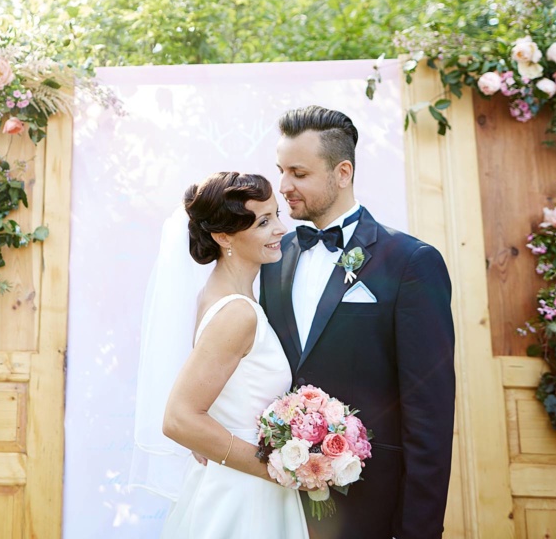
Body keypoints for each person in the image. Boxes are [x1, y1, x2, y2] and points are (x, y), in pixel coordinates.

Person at [260, 105, 456, 539]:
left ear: (342, 172)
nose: (283, 187)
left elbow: (431, 416)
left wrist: (418, 530)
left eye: (298, 173)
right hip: (274, 501)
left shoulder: (410, 263)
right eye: (281, 171)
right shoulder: (270, 259)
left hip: (370, 504)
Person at [132, 171, 309, 538]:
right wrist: (278, 469)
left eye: (277, 214)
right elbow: (179, 418)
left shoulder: (221, 297)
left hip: (236, 482)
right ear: (223, 235)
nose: (280, 229)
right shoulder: (237, 313)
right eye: (263, 222)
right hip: (244, 497)